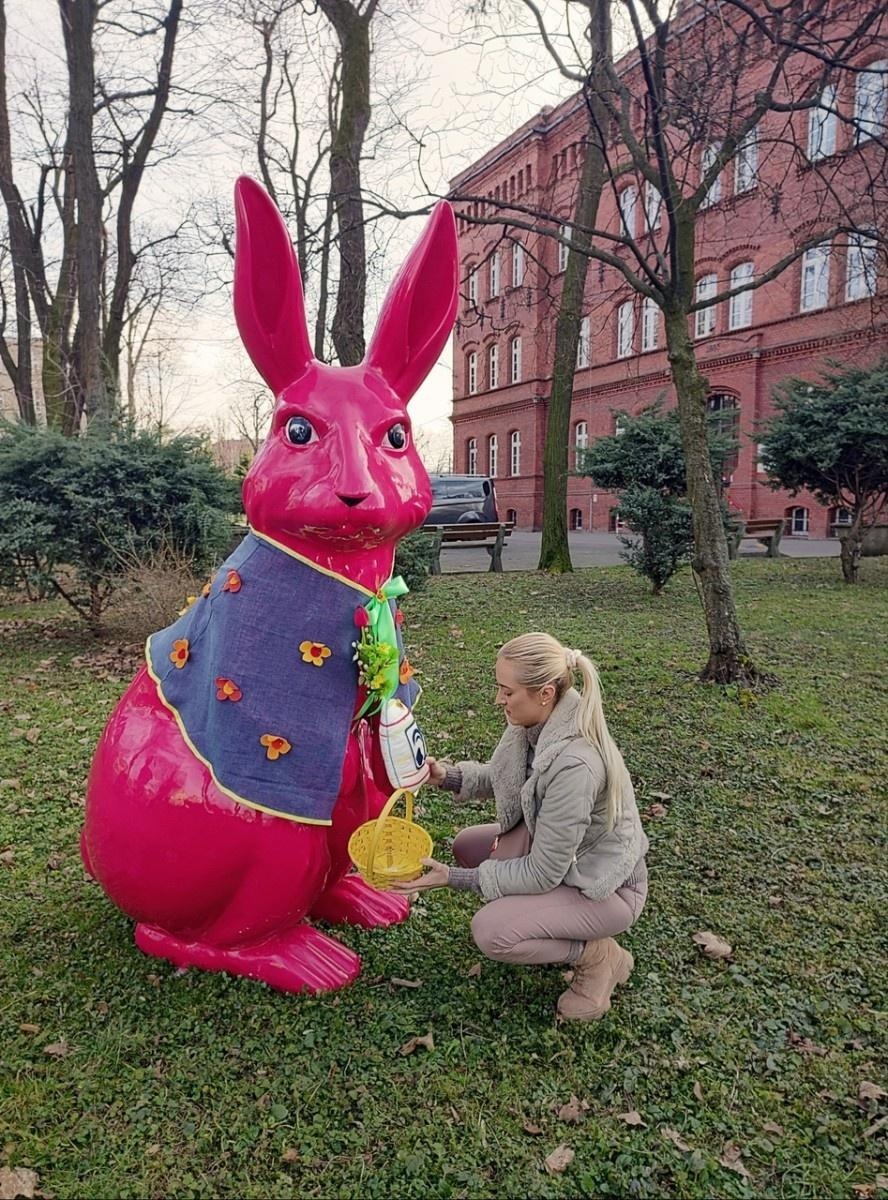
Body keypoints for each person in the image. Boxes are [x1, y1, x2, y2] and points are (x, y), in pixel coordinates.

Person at [392, 632, 648, 1021]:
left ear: (545, 692)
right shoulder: (537, 721)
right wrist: (447, 776)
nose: (499, 700)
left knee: (492, 931)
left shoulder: (575, 764)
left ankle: (598, 957)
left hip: (606, 889)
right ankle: (553, 921)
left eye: (506, 691)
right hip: (566, 858)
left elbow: (544, 872)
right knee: (469, 844)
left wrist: (455, 878)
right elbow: (505, 776)